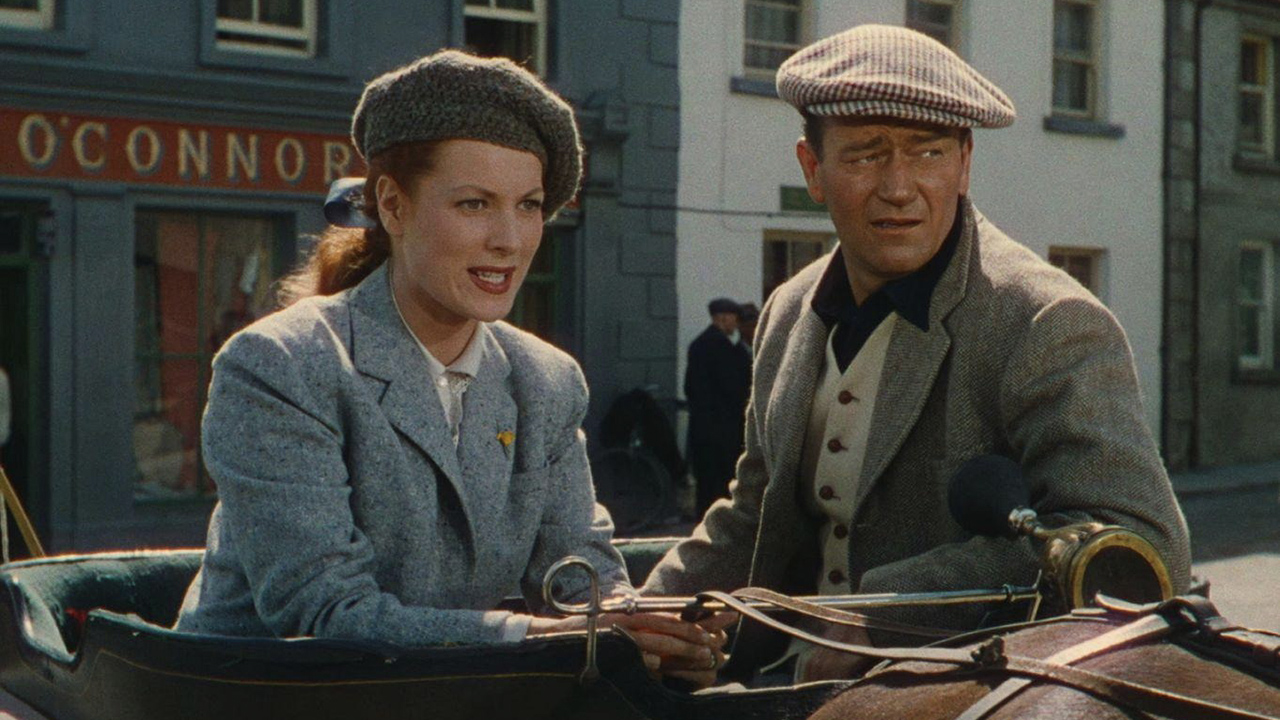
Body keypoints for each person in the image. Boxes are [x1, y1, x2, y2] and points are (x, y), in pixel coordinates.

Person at [642, 25, 1191, 683]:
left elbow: (1142, 547)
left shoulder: (1045, 321)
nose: (898, 188)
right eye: (866, 155)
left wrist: (889, 610)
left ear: (964, 164)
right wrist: (637, 617)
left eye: (927, 153)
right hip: (779, 684)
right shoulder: (788, 312)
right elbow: (755, 516)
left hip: (961, 692)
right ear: (812, 169)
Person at [175, 50, 722, 680]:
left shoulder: (545, 379)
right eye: (474, 204)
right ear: (393, 206)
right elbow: (324, 612)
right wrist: (549, 636)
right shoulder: (282, 364)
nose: (509, 240)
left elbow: (579, 578)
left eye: (529, 205)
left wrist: (651, 634)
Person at [684, 298, 752, 517]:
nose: (736, 324)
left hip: (701, 426)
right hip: (722, 428)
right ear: (722, 318)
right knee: (720, 484)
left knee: (705, 483)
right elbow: (734, 389)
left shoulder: (698, 344)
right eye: (734, 318)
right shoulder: (721, 347)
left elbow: (689, 386)